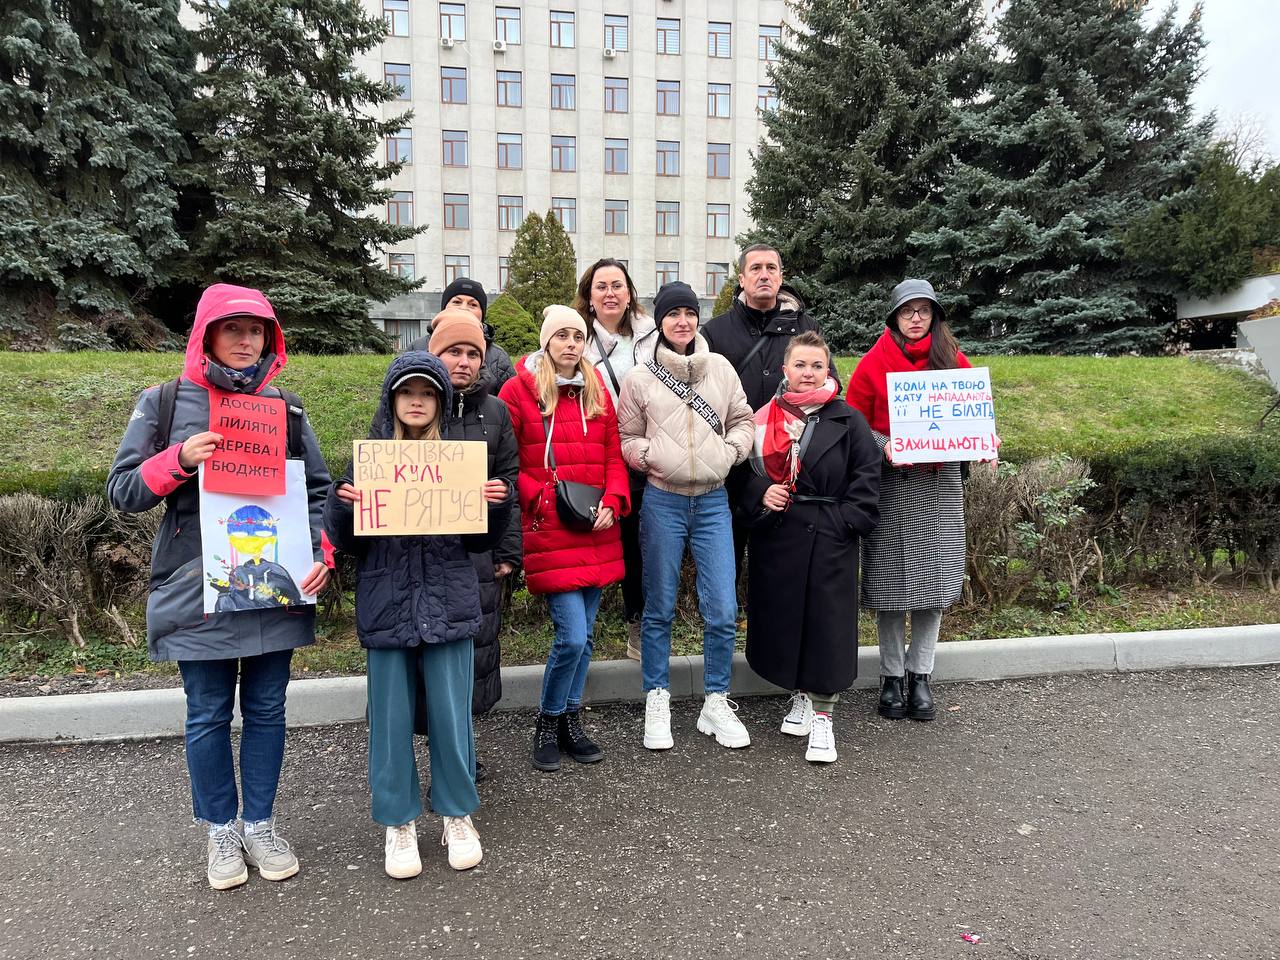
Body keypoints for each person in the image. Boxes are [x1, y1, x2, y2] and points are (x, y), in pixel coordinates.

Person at [107, 283, 331, 890]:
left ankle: (259, 821)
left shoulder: (286, 409)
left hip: (272, 588)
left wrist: (320, 550)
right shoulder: (163, 402)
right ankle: (220, 829)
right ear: (206, 335)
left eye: (256, 331)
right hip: (196, 590)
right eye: (232, 329)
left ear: (269, 340)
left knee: (266, 709)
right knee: (207, 714)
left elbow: (318, 490)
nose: (244, 341)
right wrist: (179, 458)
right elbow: (122, 491)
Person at [325, 350, 511, 879]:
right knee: (390, 721)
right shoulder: (369, 461)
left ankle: (457, 814)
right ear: (391, 400)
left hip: (449, 601)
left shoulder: (460, 459)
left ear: (441, 401)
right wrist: (342, 505)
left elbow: (479, 539)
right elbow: (345, 540)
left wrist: (495, 505)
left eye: (427, 393)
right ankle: (398, 821)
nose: (417, 401)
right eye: (408, 392)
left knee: (453, 719)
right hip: (388, 605)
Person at [847, 279, 996, 721]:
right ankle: (891, 677)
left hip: (939, 484)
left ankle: (921, 675)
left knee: (933, 585)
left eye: (923, 311)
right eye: (908, 311)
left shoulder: (953, 359)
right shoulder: (873, 364)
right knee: (893, 586)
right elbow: (854, 425)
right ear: (894, 316)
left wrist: (986, 440)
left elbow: (973, 415)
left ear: (934, 316)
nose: (916, 318)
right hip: (892, 484)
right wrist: (882, 443)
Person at [616, 282, 755, 751]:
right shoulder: (640, 376)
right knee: (658, 607)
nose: (682, 321)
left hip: (714, 500)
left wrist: (732, 450)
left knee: (722, 609)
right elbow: (626, 434)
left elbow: (743, 418)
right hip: (663, 500)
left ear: (698, 319)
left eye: (689, 313)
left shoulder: (720, 368)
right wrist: (649, 455)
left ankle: (715, 699)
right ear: (660, 320)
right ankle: (657, 695)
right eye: (673, 313)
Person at [735, 331, 881, 762]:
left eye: (817, 365)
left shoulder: (848, 420)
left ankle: (824, 716)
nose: (808, 373)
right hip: (779, 536)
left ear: (828, 370)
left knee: (827, 627)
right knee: (788, 622)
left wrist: (844, 522)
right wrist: (762, 491)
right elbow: (739, 472)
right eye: (800, 364)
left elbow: (866, 477)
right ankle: (799, 694)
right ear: (785, 369)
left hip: (831, 536)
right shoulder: (762, 418)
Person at [498, 305, 630, 772]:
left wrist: (614, 501)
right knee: (572, 636)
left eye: (578, 336)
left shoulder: (597, 389)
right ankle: (548, 719)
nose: (571, 344)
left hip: (595, 525)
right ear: (546, 342)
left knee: (587, 635)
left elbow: (614, 454)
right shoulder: (519, 391)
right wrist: (540, 497)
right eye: (562, 336)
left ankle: (571, 719)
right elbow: (508, 462)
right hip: (552, 528)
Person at [430, 310, 522, 782]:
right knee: (429, 651)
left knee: (473, 645)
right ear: (435, 354)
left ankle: (463, 748)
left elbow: (509, 480)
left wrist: (507, 551)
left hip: (476, 549)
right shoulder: (415, 399)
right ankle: (434, 749)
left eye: (472, 353)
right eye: (453, 352)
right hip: (422, 551)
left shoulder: (496, 411)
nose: (463, 362)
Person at [573, 258, 659, 661]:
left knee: (639, 544)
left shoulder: (650, 337)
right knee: (586, 539)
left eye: (617, 286)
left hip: (643, 453)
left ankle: (638, 621)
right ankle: (579, 632)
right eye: (601, 286)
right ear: (589, 296)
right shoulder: (572, 336)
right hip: (592, 452)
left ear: (629, 295)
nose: (610, 293)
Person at [702, 244, 820, 412]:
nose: (764, 275)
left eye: (771, 268)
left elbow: (828, 383)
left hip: (793, 433)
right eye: (756, 268)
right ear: (742, 280)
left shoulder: (807, 328)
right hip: (736, 434)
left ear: (780, 278)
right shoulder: (713, 332)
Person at [407, 278, 516, 388]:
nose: (464, 308)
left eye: (473, 305)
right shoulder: (416, 348)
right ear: (444, 308)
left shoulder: (498, 358)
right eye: (457, 302)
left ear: (482, 314)